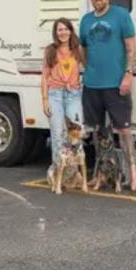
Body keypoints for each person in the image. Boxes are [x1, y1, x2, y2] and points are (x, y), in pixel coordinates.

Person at [80, 0, 136, 191]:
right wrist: (88, 69)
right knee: (99, 132)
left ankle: (133, 174)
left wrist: (128, 74)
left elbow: (131, 48)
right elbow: (84, 50)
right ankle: (100, 173)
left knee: (124, 129)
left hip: (116, 84)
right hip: (92, 85)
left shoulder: (121, 15)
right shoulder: (86, 21)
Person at [40, 18, 84, 175]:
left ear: (71, 31)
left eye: (66, 29)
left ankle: (72, 173)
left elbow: (88, 67)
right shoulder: (50, 51)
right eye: (60, 30)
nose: (63, 32)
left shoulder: (77, 49)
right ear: (55, 33)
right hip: (55, 95)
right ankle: (58, 172)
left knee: (76, 134)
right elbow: (45, 77)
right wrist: (45, 100)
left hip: (73, 94)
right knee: (57, 134)